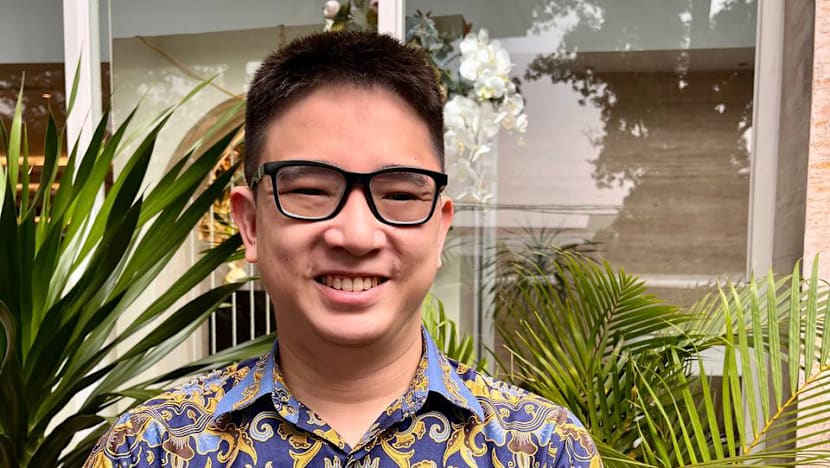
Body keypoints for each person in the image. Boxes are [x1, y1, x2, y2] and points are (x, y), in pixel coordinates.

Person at [84, 30, 602, 467]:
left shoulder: (543, 448)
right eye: (310, 190)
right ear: (250, 224)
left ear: (440, 229)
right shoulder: (149, 449)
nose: (355, 236)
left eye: (400, 195)